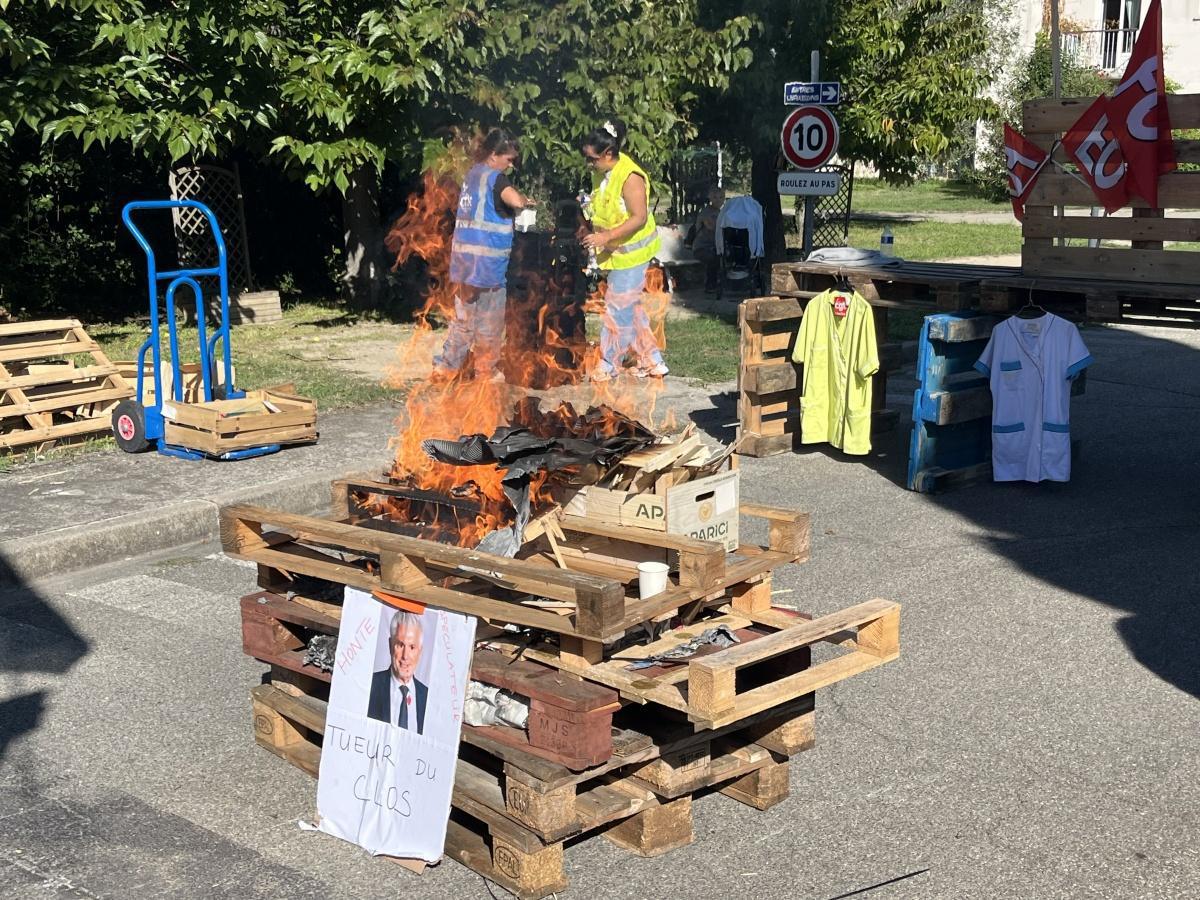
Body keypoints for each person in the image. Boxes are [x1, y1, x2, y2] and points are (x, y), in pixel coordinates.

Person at [434, 128, 535, 381]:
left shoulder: (472, 175)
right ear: (493, 155)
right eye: (508, 159)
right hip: (488, 266)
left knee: (463, 320)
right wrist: (525, 200)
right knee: (489, 322)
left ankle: (446, 368)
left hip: (464, 263)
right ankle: (486, 372)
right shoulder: (495, 178)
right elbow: (515, 201)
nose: (510, 165)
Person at [579, 118, 668, 381]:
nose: (588, 163)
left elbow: (639, 217)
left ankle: (609, 363)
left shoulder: (630, 177)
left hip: (633, 255)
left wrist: (605, 237)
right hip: (616, 255)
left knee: (617, 309)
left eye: (592, 159)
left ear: (608, 153)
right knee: (631, 308)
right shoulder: (601, 173)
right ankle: (653, 361)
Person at [367, 611, 429, 734]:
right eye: (400, 645)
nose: (405, 656)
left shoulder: (427, 697)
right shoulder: (369, 685)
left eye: (412, 647)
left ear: (420, 652)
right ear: (390, 645)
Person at [688, 185, 724, 293]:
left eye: (721, 197)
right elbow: (713, 228)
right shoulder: (706, 212)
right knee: (714, 257)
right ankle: (710, 286)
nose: (718, 200)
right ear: (710, 198)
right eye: (715, 197)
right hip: (702, 247)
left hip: (716, 246)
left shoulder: (722, 212)